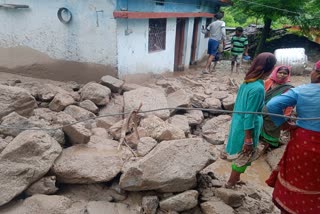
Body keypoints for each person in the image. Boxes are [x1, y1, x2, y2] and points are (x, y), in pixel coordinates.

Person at [265, 60, 320, 214]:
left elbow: (272, 105)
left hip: (305, 141)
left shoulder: (302, 90)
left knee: (297, 178)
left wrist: (284, 124)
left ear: (316, 73)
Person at [225, 52, 277, 188]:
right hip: (248, 126)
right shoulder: (258, 88)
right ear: (270, 69)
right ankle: (231, 182)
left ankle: (235, 178)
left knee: (242, 153)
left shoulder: (248, 81)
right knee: (245, 155)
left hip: (239, 123)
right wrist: (248, 138)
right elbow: (250, 114)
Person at [260, 65, 294, 149]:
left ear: (288, 75)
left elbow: (289, 104)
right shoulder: (268, 82)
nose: (282, 75)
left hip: (276, 112)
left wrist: (286, 116)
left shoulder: (288, 88)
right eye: (280, 72)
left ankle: (270, 144)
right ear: (276, 72)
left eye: (285, 73)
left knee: (272, 129)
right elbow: (261, 95)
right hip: (261, 109)